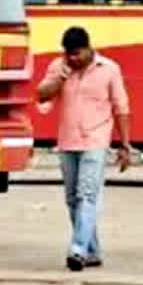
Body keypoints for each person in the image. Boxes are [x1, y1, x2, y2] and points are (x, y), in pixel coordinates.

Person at [37, 26, 132, 271]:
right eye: (69, 54)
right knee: (72, 199)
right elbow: (42, 95)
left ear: (89, 49)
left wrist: (124, 144)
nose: (73, 59)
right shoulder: (59, 67)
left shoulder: (110, 69)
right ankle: (92, 250)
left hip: (96, 140)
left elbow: (121, 107)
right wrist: (61, 76)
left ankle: (78, 249)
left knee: (87, 194)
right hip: (67, 141)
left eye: (77, 54)